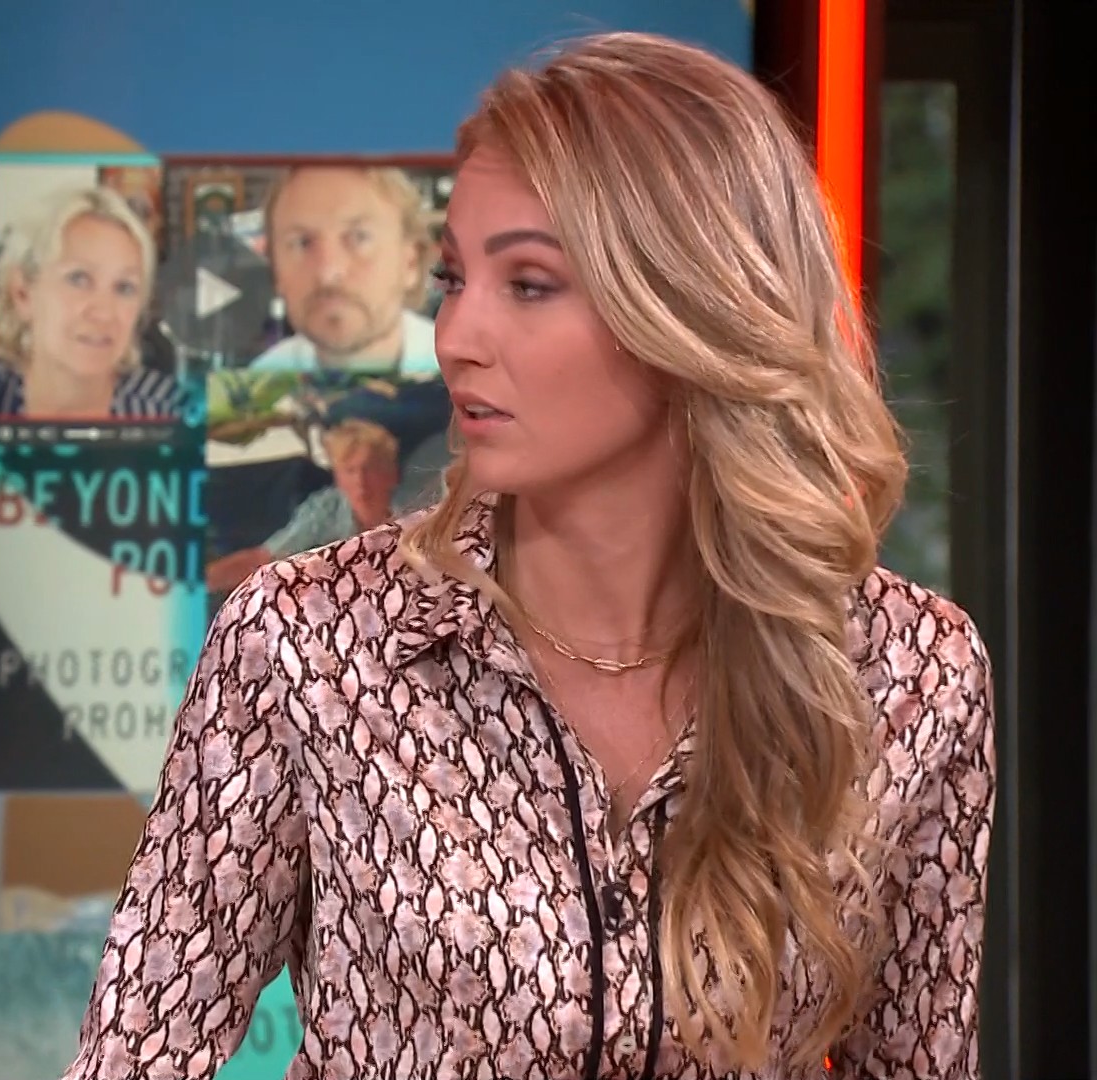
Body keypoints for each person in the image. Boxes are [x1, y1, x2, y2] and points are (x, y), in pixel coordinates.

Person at [63, 31, 995, 1080]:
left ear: (687, 305)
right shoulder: (307, 646)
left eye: (530, 284)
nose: (456, 336)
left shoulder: (911, 674)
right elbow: (135, 1055)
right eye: (454, 278)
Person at [0, 185, 185, 420]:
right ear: (22, 294)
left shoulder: (173, 409)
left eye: (124, 287)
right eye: (79, 279)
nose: (104, 313)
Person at [248, 165, 440, 377]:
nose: (328, 273)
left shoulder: (464, 377)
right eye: (302, 242)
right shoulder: (257, 384)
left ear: (410, 262)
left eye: (359, 237)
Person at [204, 418, 414, 596]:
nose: (360, 481)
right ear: (338, 478)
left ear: (392, 474)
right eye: (350, 471)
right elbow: (266, 557)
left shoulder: (414, 508)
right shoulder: (326, 510)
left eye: (370, 469)